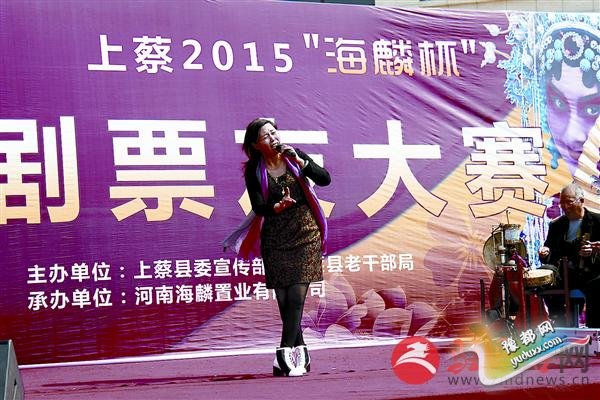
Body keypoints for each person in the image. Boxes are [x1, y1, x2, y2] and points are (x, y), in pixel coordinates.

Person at [228, 118, 330, 377]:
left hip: (305, 232)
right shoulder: (254, 170)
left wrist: (301, 162)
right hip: (275, 236)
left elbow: (325, 179)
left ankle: (283, 353)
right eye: (266, 136)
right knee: (284, 300)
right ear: (255, 145)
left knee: (296, 296)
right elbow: (258, 206)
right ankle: (301, 353)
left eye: (274, 133)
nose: (273, 138)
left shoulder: (294, 156)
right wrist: (276, 207)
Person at [538, 183, 600, 327]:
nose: (565, 206)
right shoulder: (556, 225)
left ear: (581, 201)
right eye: (562, 203)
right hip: (565, 274)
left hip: (592, 273)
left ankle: (595, 330)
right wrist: (545, 252)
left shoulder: (597, 221)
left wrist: (595, 250)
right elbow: (550, 252)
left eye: (569, 202)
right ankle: (559, 321)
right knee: (544, 278)